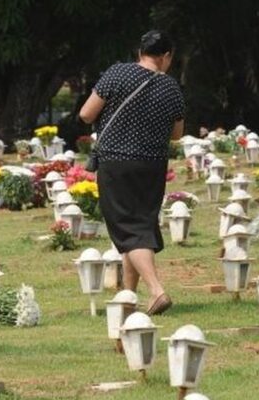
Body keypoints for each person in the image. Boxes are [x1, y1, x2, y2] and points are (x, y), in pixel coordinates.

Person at [79, 30, 184, 315]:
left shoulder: (117, 73)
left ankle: (156, 290)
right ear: (166, 56)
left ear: (140, 52)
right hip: (152, 166)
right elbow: (177, 133)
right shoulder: (171, 87)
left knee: (129, 229)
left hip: (117, 163)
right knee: (139, 226)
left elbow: (86, 114)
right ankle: (129, 296)